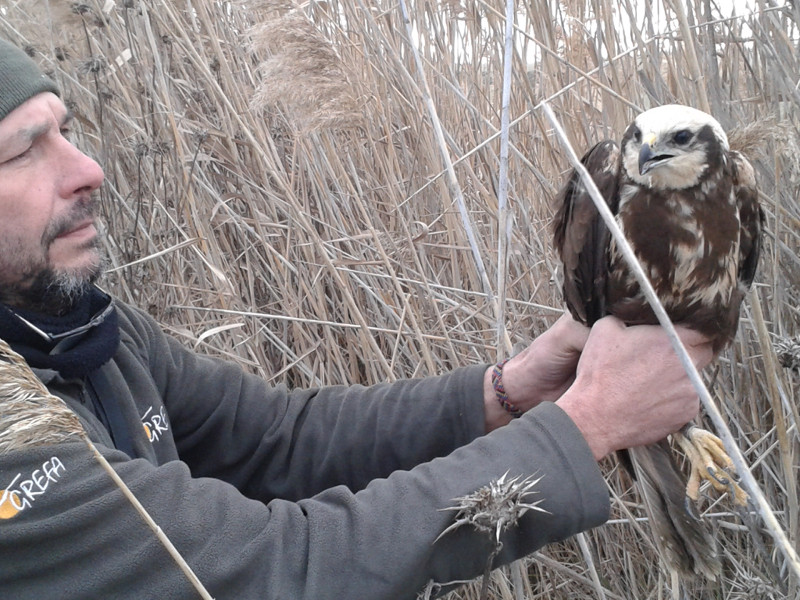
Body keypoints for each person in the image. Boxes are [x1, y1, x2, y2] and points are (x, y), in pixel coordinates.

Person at [0, 38, 712, 599]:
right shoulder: (12, 435)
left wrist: (511, 389)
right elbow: (278, 571)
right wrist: (584, 429)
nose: (88, 168)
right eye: (23, 150)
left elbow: (277, 441)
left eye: (67, 131)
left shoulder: (83, 334)